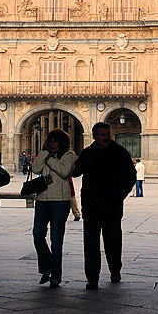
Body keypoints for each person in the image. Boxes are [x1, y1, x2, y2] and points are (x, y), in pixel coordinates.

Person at [70, 122, 136, 290]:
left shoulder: (120, 152)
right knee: (91, 244)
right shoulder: (88, 153)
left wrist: (121, 194)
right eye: (102, 135)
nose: (106, 138)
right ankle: (92, 278)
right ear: (94, 136)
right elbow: (75, 172)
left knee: (113, 242)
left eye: (107, 134)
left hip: (112, 204)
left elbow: (131, 175)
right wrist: (69, 157)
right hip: (91, 205)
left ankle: (115, 270)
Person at [31, 129, 76, 288]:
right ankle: (46, 266)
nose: (52, 143)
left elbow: (64, 172)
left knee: (56, 241)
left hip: (60, 202)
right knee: (37, 235)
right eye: (50, 141)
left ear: (62, 142)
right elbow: (36, 169)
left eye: (55, 141)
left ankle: (55, 275)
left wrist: (49, 159)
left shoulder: (69, 155)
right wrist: (45, 154)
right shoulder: (45, 154)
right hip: (42, 200)